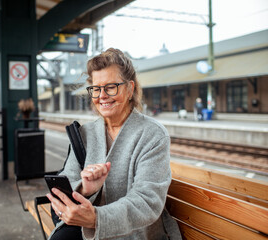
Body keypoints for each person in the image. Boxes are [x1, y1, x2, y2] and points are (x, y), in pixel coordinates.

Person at [46, 48, 181, 240]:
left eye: (110, 87)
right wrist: (85, 189)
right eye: (96, 88)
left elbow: (147, 202)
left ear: (130, 88)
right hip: (89, 230)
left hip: (136, 234)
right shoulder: (84, 133)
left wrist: (96, 219)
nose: (102, 95)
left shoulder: (152, 134)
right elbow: (68, 179)